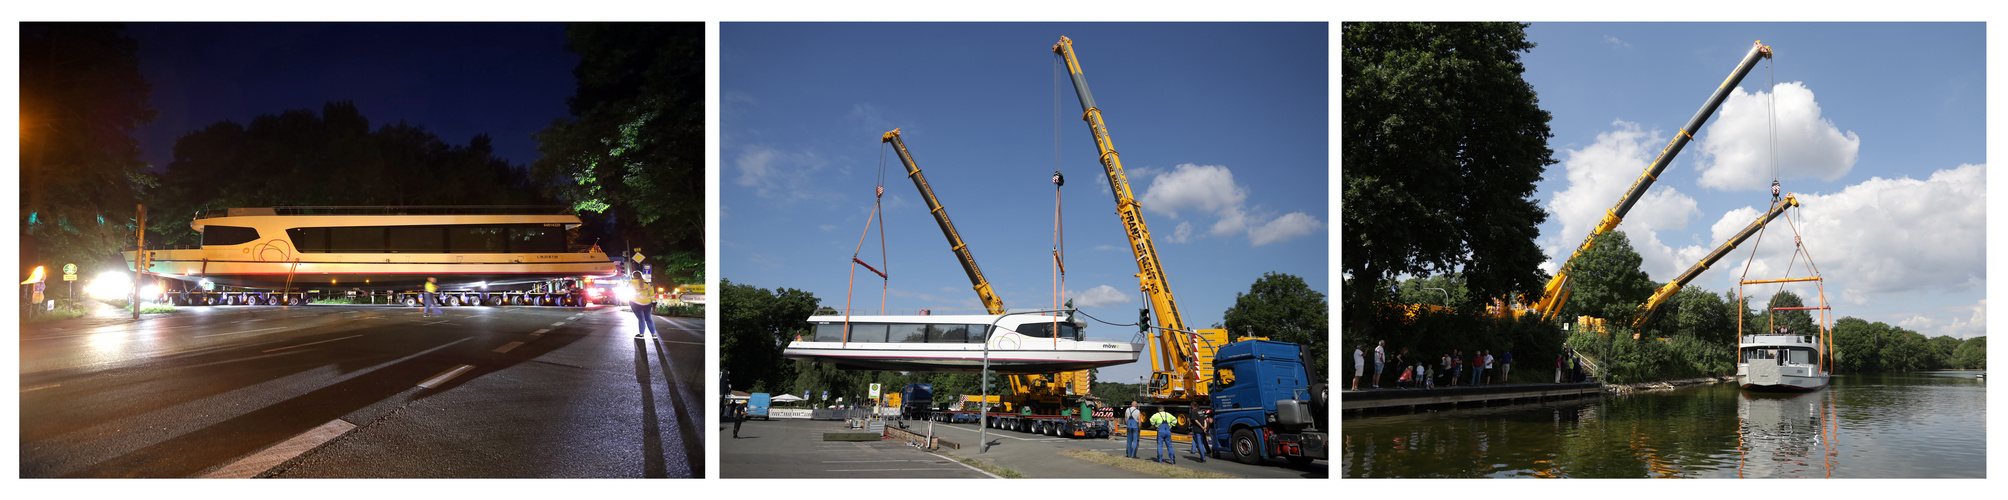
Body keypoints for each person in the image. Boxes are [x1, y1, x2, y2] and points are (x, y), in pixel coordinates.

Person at [629, 271, 658, 338]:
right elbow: (652, 295)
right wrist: (654, 305)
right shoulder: (648, 284)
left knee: (641, 319)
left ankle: (641, 334)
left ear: (634, 276)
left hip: (636, 304)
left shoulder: (630, 283)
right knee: (648, 319)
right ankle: (653, 335)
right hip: (647, 304)